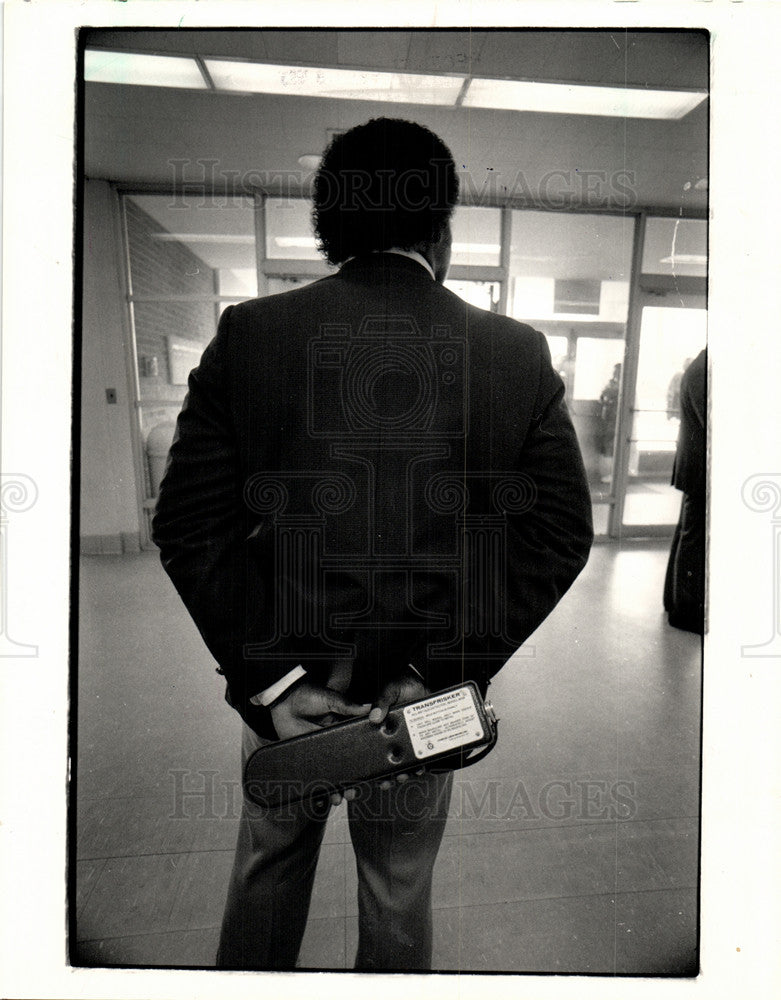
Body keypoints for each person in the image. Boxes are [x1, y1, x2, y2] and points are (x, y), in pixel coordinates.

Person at [152, 117, 594, 971]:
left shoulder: (251, 336)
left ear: (328, 228)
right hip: (415, 709)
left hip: (283, 695)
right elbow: (556, 534)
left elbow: (189, 524)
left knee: (267, 871)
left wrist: (273, 679)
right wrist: (436, 670)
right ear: (443, 229)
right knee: (397, 886)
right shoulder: (513, 356)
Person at [664, 349, 706, 633]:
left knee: (687, 536)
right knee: (692, 540)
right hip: (701, 468)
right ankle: (684, 611)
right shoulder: (705, 370)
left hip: (695, 467)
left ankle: (675, 602)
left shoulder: (699, 366)